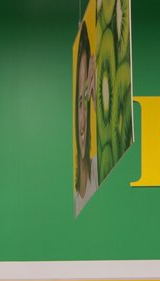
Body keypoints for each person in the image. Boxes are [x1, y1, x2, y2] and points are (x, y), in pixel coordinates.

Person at [73, 22, 95, 212]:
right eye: (80, 102)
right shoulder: (74, 198)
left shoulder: (99, 170)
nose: (83, 121)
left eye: (86, 99)